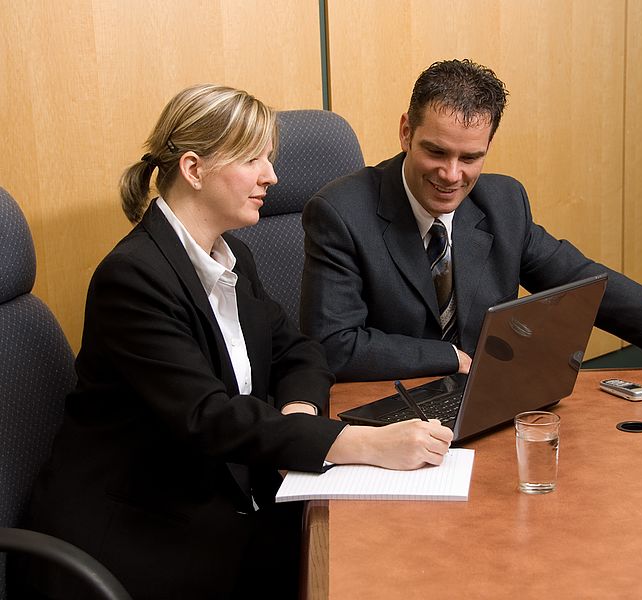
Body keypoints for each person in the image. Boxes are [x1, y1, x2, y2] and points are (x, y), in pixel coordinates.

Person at [12, 84, 452, 600]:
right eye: (253, 160)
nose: (272, 176)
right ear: (194, 169)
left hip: (225, 496)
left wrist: (301, 411)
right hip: (141, 530)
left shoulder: (230, 256)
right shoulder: (133, 278)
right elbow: (207, 416)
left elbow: (300, 350)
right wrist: (360, 443)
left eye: (270, 158)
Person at [300, 59, 642, 382]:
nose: (451, 174)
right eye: (435, 152)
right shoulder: (341, 212)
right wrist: (452, 357)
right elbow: (335, 345)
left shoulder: (502, 201)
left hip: (484, 410)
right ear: (403, 133)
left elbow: (589, 283)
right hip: (388, 406)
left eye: (471, 157)